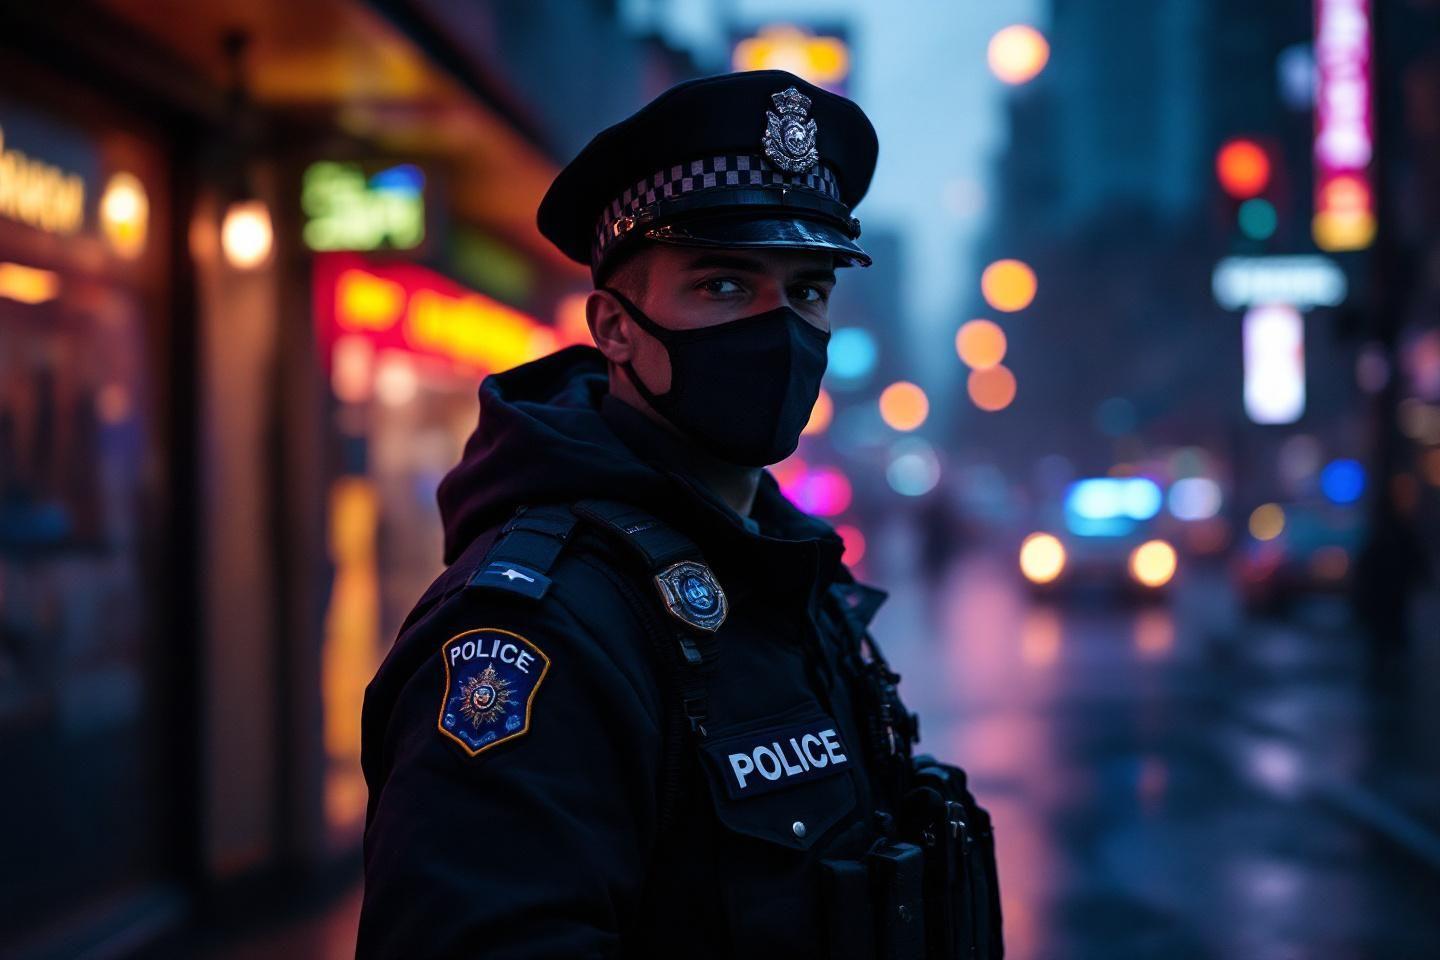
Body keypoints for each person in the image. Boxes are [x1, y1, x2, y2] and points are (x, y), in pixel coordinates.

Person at [357, 70, 1002, 959]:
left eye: (809, 290)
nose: (782, 329)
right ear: (615, 327)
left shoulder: (789, 575)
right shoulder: (545, 629)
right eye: (725, 286)